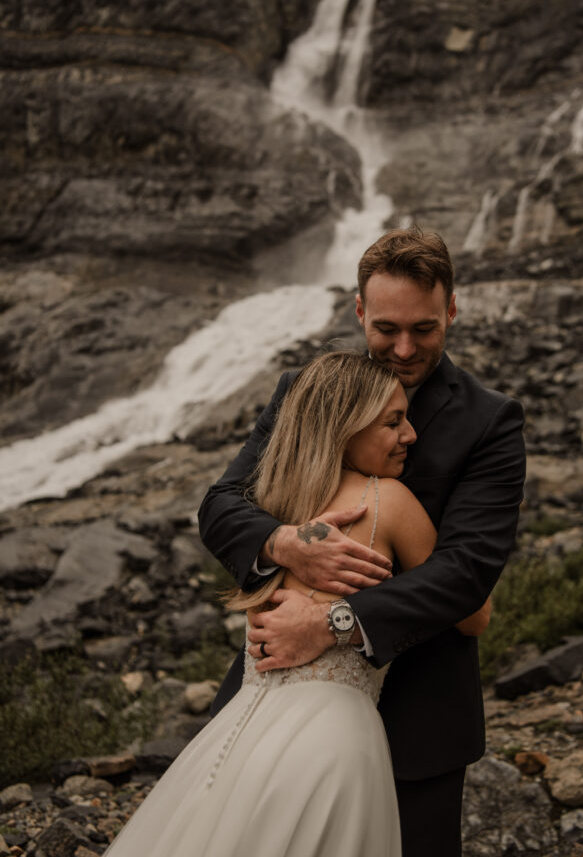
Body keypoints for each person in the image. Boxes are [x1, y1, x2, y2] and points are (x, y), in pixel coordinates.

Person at [199, 227, 526, 856]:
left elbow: (467, 572)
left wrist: (334, 622)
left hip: (420, 715)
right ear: (358, 311)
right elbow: (221, 504)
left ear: (452, 310)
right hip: (278, 690)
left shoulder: (489, 421)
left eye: (424, 329)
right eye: (386, 328)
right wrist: (287, 544)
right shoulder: (307, 390)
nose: (403, 348)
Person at [104, 352, 487, 857]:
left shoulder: (275, 504)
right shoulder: (388, 501)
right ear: (346, 428)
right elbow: (474, 614)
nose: (410, 434)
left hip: (241, 736)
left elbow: (219, 507)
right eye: (393, 422)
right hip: (332, 740)